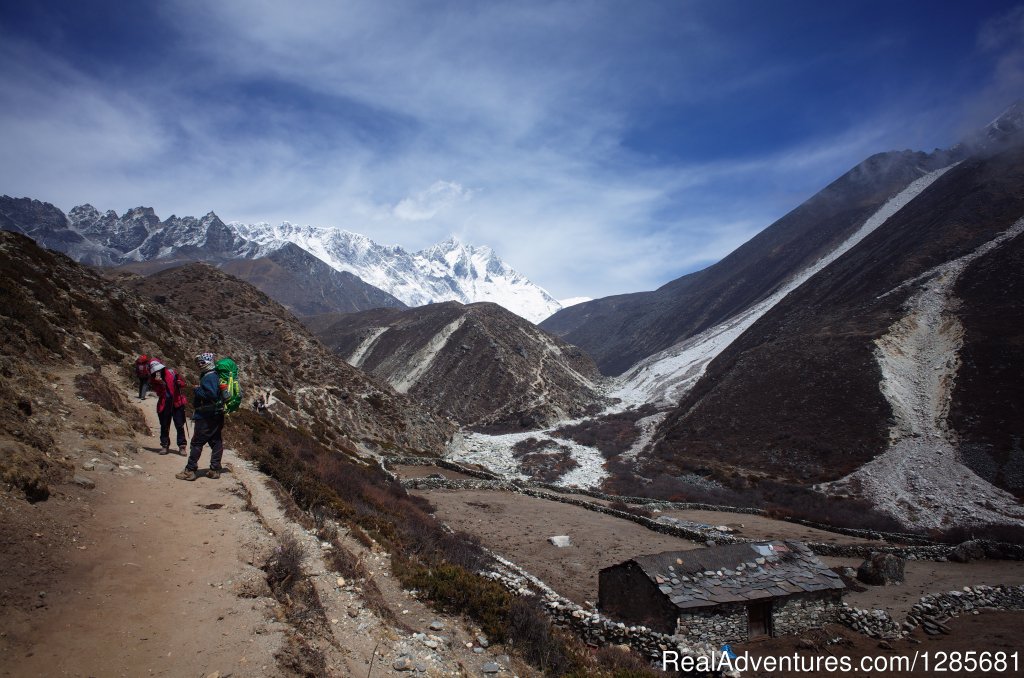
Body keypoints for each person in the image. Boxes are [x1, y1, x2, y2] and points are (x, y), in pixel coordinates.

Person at [176, 352, 225, 481]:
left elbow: (212, 395)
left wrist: (197, 390)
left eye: (201, 362)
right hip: (216, 414)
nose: (199, 365)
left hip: (206, 415)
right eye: (198, 362)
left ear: (208, 362)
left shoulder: (209, 377)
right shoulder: (214, 375)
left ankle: (190, 470)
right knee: (216, 441)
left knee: (197, 442)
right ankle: (215, 469)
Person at [148, 359, 188, 455]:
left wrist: (179, 383)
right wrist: (161, 384)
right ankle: (165, 445)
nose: (158, 371)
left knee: (179, 425)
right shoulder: (153, 379)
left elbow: (183, 384)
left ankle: (182, 446)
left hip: (177, 402)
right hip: (164, 403)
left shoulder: (172, 372)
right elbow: (159, 393)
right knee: (164, 426)